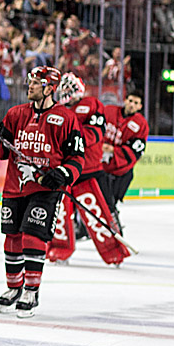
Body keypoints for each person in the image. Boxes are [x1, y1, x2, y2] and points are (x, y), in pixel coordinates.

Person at [0, 66, 86, 317]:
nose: (30, 86)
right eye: (30, 81)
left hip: (45, 188)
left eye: (36, 83)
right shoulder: (16, 114)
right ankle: (14, 287)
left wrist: (62, 174)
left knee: (32, 236)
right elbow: (1, 149)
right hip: (15, 187)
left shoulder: (66, 118)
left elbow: (78, 157)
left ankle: (31, 290)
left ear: (50, 88)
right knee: (12, 239)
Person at [47, 73, 129, 266]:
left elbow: (96, 132)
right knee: (60, 213)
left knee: (102, 211)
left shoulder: (91, 104)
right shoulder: (57, 110)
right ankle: (59, 249)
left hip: (90, 168)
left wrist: (72, 138)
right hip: (66, 170)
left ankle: (114, 249)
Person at [101, 89, 148, 231]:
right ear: (125, 100)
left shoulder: (141, 125)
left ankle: (113, 226)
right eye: (130, 101)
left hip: (121, 171)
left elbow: (137, 151)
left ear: (140, 107)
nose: (132, 105)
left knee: (111, 203)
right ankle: (82, 226)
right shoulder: (108, 111)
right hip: (99, 167)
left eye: (136, 103)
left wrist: (114, 151)